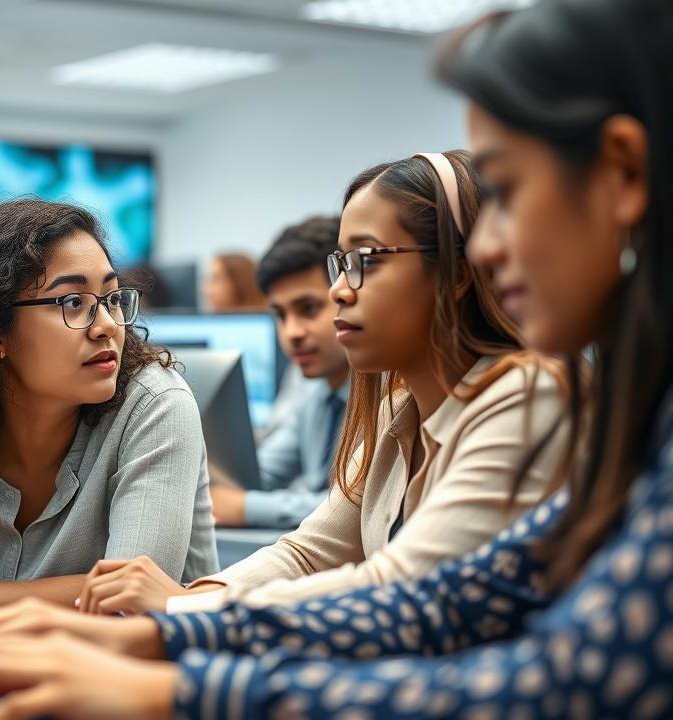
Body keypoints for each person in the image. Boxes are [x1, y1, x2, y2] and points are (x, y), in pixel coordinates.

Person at [0, 0, 673, 717]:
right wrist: (168, 635)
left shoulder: (539, 397)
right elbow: (439, 602)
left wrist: (172, 678)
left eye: (509, 193)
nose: (484, 248)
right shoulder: (612, 419)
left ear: (622, 172)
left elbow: (546, 682)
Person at [71, 150, 570, 618]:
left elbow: (403, 584)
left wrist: (184, 609)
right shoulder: (399, 409)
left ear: (457, 271)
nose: (339, 291)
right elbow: (309, 553)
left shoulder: (529, 399)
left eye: (365, 261)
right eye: (341, 265)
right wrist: (195, 597)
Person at [0, 198, 218, 622]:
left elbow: (129, 600)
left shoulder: (155, 404)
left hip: (119, 661)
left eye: (112, 298)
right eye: (72, 302)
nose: (108, 325)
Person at [208, 217, 350, 529]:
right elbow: (264, 472)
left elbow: (357, 505)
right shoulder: (313, 387)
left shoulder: (391, 392)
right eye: (281, 315)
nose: (291, 332)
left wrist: (245, 508)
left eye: (308, 309)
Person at [201, 252, 266, 311]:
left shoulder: (264, 318)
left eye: (216, 279)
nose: (206, 289)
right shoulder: (212, 319)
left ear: (238, 282)